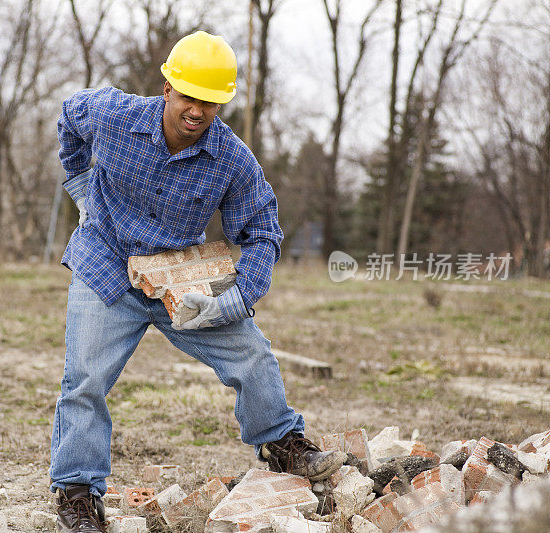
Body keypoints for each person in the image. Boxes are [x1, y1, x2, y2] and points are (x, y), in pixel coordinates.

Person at [50, 31, 346, 533]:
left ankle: (281, 442)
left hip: (180, 283)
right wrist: (80, 184)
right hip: (106, 262)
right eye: (189, 96)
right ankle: (78, 493)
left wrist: (236, 298)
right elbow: (69, 116)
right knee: (85, 380)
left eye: (210, 102)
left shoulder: (231, 159)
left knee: (252, 356)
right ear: (167, 88)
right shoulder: (112, 116)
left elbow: (262, 230)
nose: (197, 110)